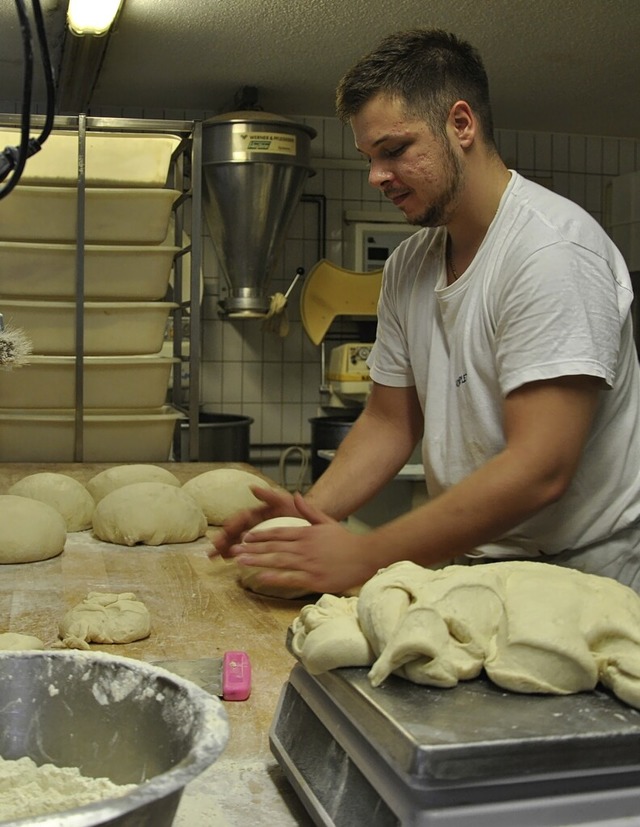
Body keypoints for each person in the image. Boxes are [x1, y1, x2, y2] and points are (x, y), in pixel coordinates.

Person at [211, 28, 640, 596]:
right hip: (472, 568)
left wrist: (364, 555)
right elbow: (391, 422)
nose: (376, 177)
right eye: (370, 157)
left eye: (394, 151)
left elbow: (541, 469)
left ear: (461, 125)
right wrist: (304, 515)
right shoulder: (411, 263)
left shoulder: (551, 251)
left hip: (579, 577)